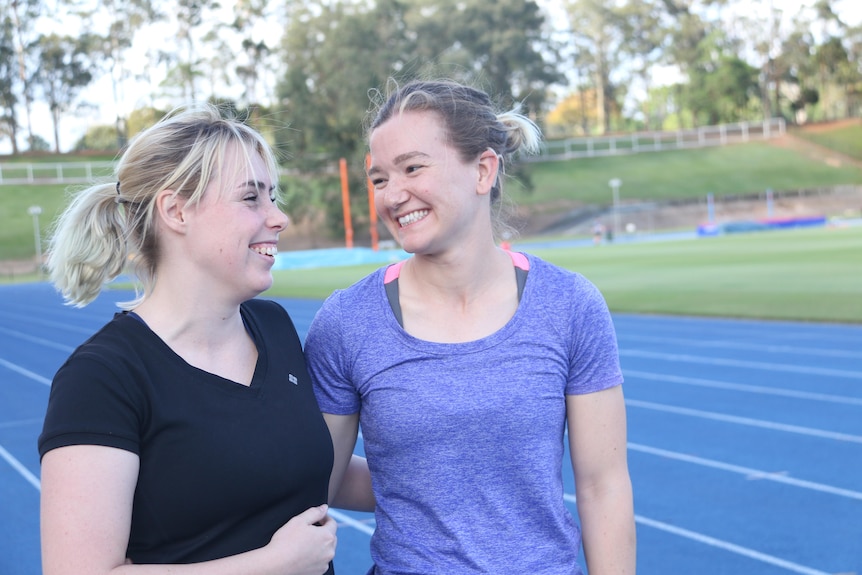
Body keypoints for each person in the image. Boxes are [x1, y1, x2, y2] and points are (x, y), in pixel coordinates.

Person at [304, 79, 636, 574]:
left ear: (483, 170)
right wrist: (416, 482)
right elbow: (320, 482)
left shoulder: (569, 304)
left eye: (413, 168)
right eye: (378, 179)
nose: (394, 195)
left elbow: (602, 485)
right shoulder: (347, 322)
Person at [38, 103, 372, 575]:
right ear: (176, 211)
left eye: (272, 196)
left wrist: (452, 471)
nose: (279, 218)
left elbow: (303, 469)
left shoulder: (274, 328)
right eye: (251, 198)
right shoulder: (102, 378)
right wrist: (273, 565)